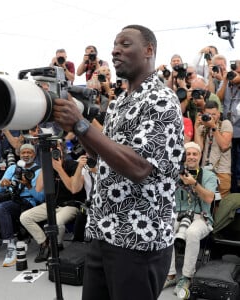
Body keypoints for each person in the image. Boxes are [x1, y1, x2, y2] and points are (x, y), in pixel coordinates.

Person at [53, 24, 184, 300]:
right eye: (114, 44)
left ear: (149, 50)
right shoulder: (119, 102)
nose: (115, 50)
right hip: (105, 231)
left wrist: (81, 124)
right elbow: (103, 154)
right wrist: (76, 127)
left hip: (138, 239)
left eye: (125, 44)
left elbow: (139, 167)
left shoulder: (161, 99)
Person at [163, 142, 217, 296]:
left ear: (200, 156)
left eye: (195, 154)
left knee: (192, 233)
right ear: (183, 156)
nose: (191, 157)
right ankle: (170, 274)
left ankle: (187, 276)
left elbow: (209, 198)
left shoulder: (208, 175)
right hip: (179, 215)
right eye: (188, 154)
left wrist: (195, 184)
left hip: (201, 217)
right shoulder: (176, 173)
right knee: (166, 229)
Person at [20, 140, 86, 263]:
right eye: (50, 150)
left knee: (58, 221)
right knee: (25, 217)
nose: (54, 152)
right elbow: (39, 188)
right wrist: (46, 165)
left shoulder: (72, 164)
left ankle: (55, 246)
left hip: (70, 205)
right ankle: (45, 244)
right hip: (51, 204)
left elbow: (73, 189)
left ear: (62, 150)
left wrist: (59, 169)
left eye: (56, 149)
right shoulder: (47, 167)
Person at [194, 100, 233, 198]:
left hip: (221, 172)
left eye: (213, 114)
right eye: (208, 114)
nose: (211, 117)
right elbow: (199, 149)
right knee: (206, 203)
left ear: (219, 114)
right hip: (205, 171)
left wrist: (213, 127)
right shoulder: (203, 127)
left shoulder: (225, 124)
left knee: (220, 206)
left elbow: (224, 145)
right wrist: (196, 128)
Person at [216, 59, 240, 192]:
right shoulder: (227, 83)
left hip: (239, 130)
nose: (234, 75)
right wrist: (225, 80)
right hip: (227, 131)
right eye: (234, 72)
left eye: (238, 72)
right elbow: (218, 97)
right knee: (230, 166)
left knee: (238, 168)